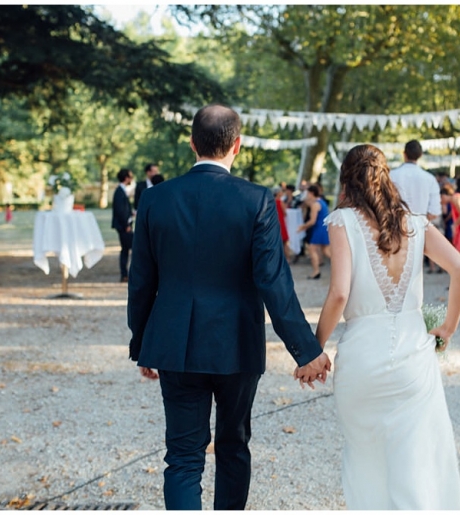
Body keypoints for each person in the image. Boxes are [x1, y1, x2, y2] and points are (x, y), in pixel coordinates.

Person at [127, 104, 331, 510]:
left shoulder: (156, 199)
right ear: (236, 145)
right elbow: (273, 280)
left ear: (191, 144)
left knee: (183, 456)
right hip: (236, 343)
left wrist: (143, 344)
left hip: (174, 344)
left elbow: (142, 281)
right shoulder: (256, 199)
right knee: (234, 445)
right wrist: (307, 350)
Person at [311, 144, 460, 509]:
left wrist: (313, 348)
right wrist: (447, 328)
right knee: (416, 461)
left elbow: (339, 294)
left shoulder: (341, 221)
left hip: (362, 357)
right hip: (414, 358)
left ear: (347, 179)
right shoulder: (415, 224)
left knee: (365, 459)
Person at [389, 139, 442, 222]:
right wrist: (418, 222)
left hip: (395, 226)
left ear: (404, 154)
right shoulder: (430, 179)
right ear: (421, 155)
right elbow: (434, 212)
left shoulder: (391, 175)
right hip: (421, 229)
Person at [297, 183, 330, 279]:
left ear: (311, 193)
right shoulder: (321, 202)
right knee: (326, 251)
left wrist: (302, 227)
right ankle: (344, 266)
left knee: (312, 249)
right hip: (323, 228)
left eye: (307, 193)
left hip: (319, 229)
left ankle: (316, 271)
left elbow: (312, 221)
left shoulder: (315, 204)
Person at [111, 168, 135, 283]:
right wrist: (127, 224)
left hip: (124, 225)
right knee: (131, 248)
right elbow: (120, 211)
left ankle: (125, 274)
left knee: (125, 249)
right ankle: (125, 274)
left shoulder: (121, 191)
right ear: (126, 178)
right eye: (130, 177)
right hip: (124, 226)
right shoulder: (120, 192)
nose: (131, 179)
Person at [272, 185, 293, 259]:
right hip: (281, 222)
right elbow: (285, 212)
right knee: (285, 241)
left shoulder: (272, 201)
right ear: (278, 193)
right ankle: (287, 258)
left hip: (275, 221)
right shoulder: (280, 202)